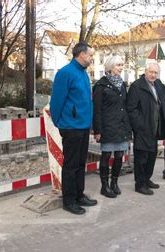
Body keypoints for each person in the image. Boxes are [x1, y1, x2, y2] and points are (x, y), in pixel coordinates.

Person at [50, 42, 98, 215]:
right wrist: (59, 122)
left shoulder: (84, 74)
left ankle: (79, 195)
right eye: (90, 55)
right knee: (70, 165)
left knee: (80, 163)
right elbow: (57, 101)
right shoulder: (65, 73)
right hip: (71, 127)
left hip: (83, 126)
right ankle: (68, 201)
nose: (92, 58)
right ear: (81, 54)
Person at [126, 62, 165, 195]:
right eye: (151, 72)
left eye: (155, 73)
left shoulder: (157, 84)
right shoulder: (137, 86)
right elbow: (131, 109)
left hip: (155, 128)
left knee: (152, 156)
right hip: (143, 129)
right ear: (145, 71)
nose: (153, 75)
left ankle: (147, 180)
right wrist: (140, 125)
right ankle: (140, 184)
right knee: (141, 158)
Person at [93, 55, 132, 198]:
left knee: (120, 155)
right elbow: (96, 110)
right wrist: (97, 130)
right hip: (107, 126)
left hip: (121, 126)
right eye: (118, 65)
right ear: (110, 67)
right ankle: (105, 186)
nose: (121, 68)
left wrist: (128, 128)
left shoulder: (122, 84)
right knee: (106, 155)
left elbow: (124, 107)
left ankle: (114, 183)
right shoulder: (101, 85)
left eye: (122, 65)